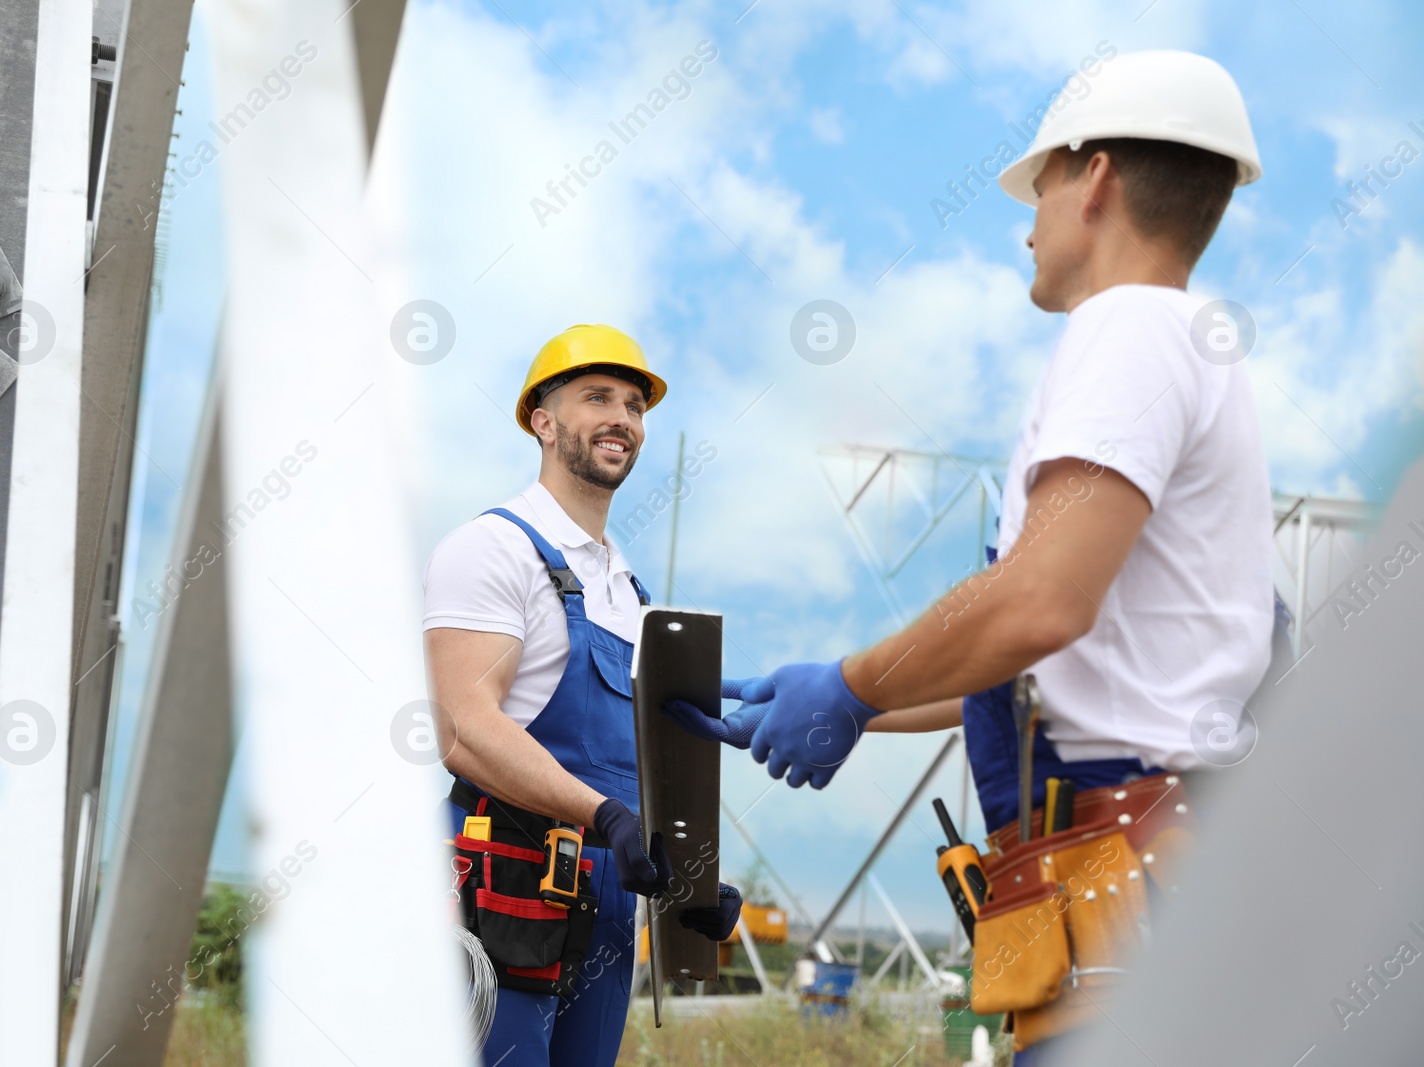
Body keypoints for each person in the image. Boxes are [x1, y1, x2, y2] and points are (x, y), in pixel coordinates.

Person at [664, 51, 1284, 1063]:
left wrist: (854, 687)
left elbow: (1039, 602)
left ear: (1094, 179)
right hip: (1122, 885)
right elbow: (1060, 670)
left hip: (1120, 887)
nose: (1024, 220)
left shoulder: (1126, 330)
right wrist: (853, 700)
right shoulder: (1185, 342)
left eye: (1036, 183)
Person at [425, 324, 742, 1067]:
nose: (622, 419)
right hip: (499, 894)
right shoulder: (493, 548)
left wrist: (688, 881)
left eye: (634, 405)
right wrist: (606, 816)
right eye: (597, 397)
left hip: (601, 913)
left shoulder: (629, 592)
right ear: (543, 419)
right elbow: (461, 728)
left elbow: (646, 775)